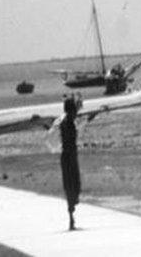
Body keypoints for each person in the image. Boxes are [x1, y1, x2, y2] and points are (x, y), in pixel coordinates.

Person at [60, 94, 82, 231]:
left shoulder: (66, 121)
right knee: (71, 185)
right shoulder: (67, 123)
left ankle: (71, 215)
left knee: (73, 186)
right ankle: (71, 217)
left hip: (69, 156)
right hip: (69, 157)